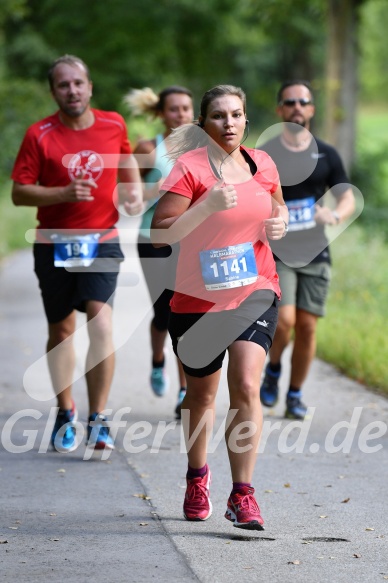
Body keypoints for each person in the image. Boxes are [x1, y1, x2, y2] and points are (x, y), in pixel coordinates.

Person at [151, 84, 288, 530]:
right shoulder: (188, 168)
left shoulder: (262, 164)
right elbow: (161, 233)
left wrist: (279, 222)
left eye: (236, 114)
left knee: (247, 384)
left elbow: (277, 208)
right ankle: (196, 477)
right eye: (218, 116)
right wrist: (206, 206)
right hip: (197, 298)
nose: (229, 122)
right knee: (201, 396)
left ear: (246, 120)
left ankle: (243, 494)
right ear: (202, 124)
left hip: (255, 289)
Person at [11, 54, 142, 453]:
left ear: (90, 87)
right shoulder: (40, 134)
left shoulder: (113, 123)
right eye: (64, 85)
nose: (72, 91)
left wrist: (133, 188)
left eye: (78, 83)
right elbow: (19, 191)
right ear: (54, 92)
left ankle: (98, 417)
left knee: (102, 325)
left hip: (100, 239)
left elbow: (126, 157)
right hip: (54, 243)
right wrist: (62, 194)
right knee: (63, 330)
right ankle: (65, 411)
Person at [259, 80, 355, 419]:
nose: (296, 107)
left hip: (316, 250)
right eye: (289, 102)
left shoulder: (326, 153)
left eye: (303, 101)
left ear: (312, 109)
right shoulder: (267, 152)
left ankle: (295, 394)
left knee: (309, 326)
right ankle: (272, 370)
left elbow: (346, 194)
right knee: (283, 322)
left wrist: (335, 214)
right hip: (280, 252)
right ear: (280, 110)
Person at [124, 86, 194, 418]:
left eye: (185, 109)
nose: (180, 115)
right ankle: (157, 360)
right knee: (163, 310)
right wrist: (157, 189)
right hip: (152, 237)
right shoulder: (149, 149)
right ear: (161, 113)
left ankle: (184, 390)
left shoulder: (201, 148)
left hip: (192, 238)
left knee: (185, 312)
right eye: (174, 109)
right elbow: (128, 192)